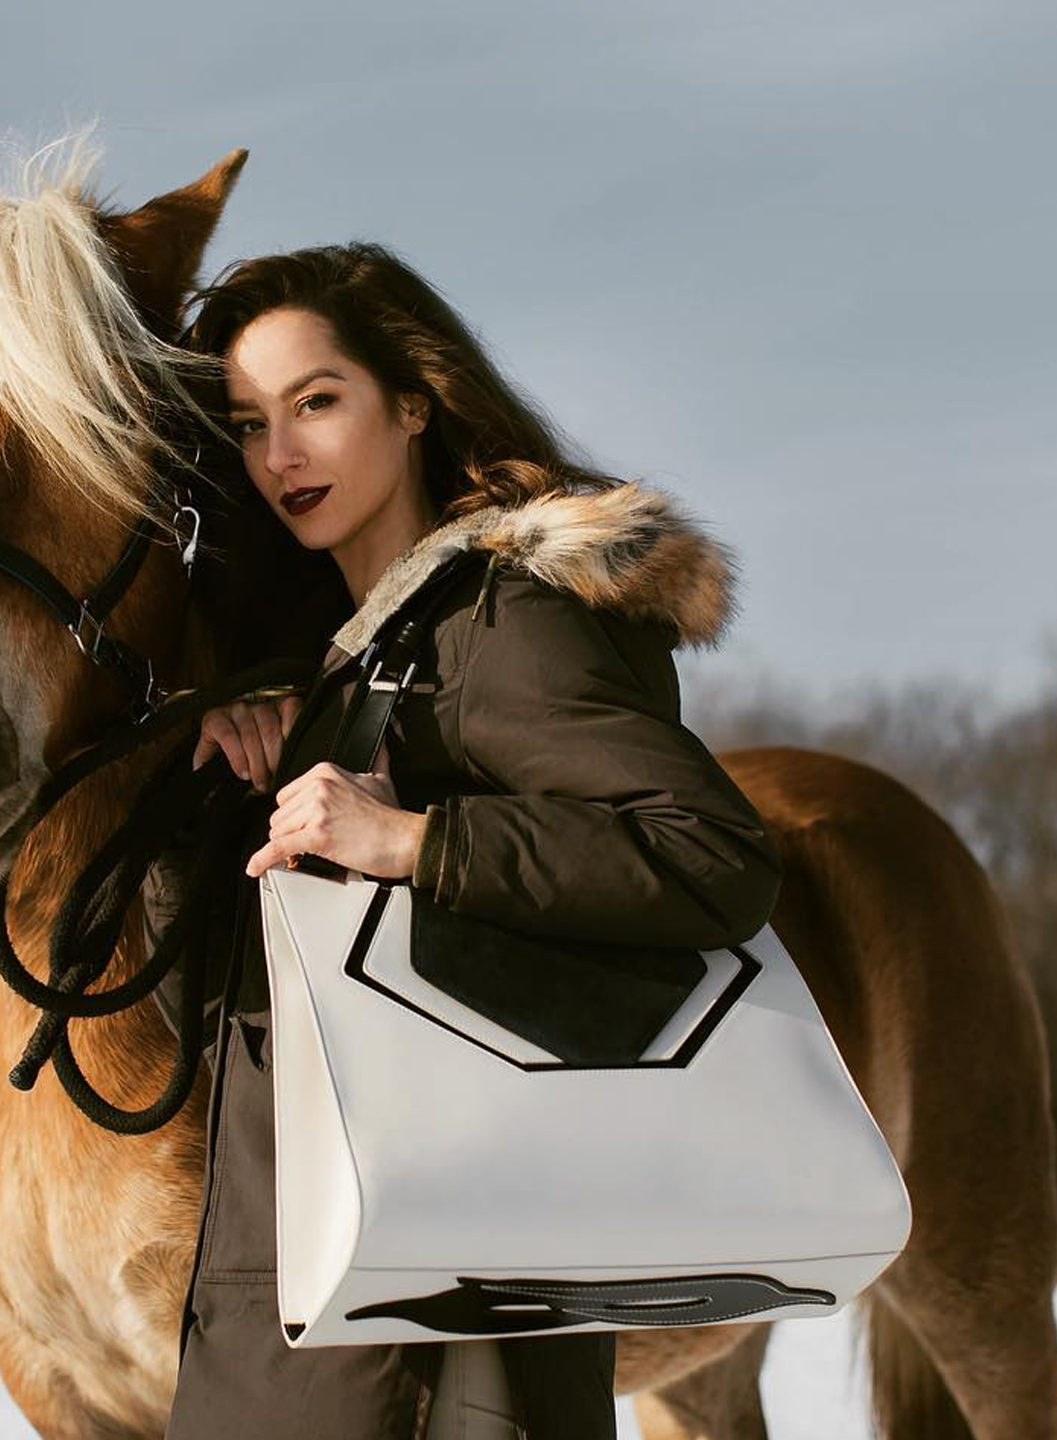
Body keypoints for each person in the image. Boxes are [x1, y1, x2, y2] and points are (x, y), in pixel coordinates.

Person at [143, 242, 783, 1440]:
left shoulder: (504, 616)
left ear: (415, 403)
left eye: (317, 403)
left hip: (439, 1324)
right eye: (249, 424)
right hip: (312, 1297)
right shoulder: (369, 650)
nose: (281, 455)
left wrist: (411, 841)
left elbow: (707, 852)